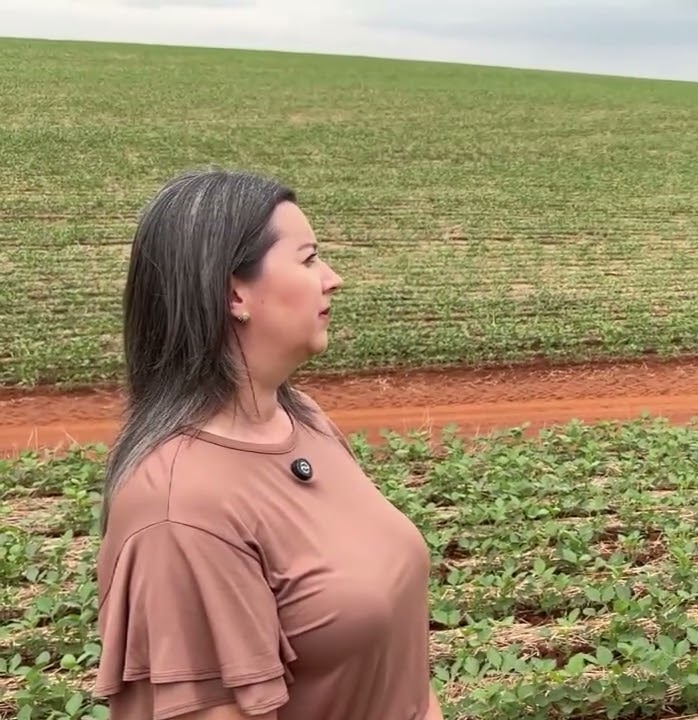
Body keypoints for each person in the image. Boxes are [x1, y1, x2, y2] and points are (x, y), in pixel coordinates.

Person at [92, 168, 444, 720]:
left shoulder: (301, 419)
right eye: (307, 259)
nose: (333, 278)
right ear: (235, 293)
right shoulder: (180, 511)